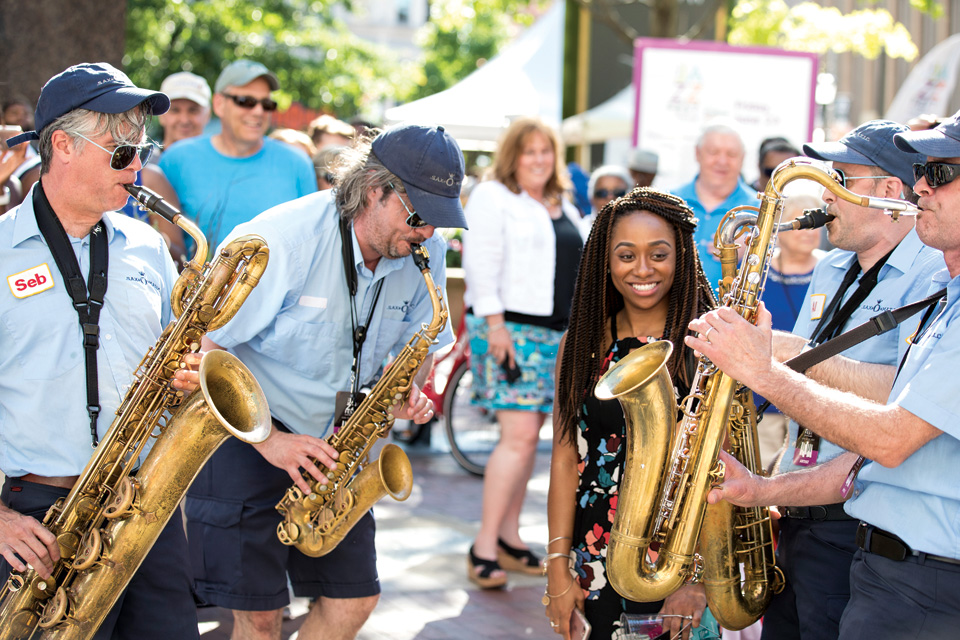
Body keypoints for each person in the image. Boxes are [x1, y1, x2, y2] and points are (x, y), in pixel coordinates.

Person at [186, 123, 466, 640]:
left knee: (355, 599)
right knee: (260, 618)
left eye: (441, 220)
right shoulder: (280, 240)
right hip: (246, 435)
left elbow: (423, 341)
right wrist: (269, 441)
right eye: (422, 216)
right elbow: (202, 350)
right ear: (377, 189)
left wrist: (409, 386)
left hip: (336, 448)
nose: (429, 233)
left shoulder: (425, 250)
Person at [688, 113, 960, 638]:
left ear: (886, 191)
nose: (826, 194)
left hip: (915, 573)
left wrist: (766, 365)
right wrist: (767, 490)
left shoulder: (934, 276)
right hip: (859, 543)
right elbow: (881, 448)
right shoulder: (857, 270)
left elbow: (893, 431)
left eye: (940, 173)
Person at [0, 62, 200, 639]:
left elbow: (172, 360)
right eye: (121, 153)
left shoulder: (148, 247)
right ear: (61, 145)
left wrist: (185, 376)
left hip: (142, 506)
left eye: (143, 149)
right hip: (40, 519)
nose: (139, 167)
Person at [546, 188, 716, 640]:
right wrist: (558, 566)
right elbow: (566, 459)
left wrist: (699, 580)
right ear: (605, 261)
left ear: (681, 256)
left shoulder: (708, 345)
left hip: (679, 558)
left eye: (658, 254)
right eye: (626, 255)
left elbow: (723, 472)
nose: (643, 269)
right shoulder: (582, 343)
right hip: (594, 556)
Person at [461, 117, 585, 589]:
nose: (538, 159)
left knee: (530, 442)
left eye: (546, 151)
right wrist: (495, 327)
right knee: (516, 440)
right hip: (509, 330)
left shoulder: (560, 202)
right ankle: (484, 546)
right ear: (512, 155)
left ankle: (511, 539)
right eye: (528, 151)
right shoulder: (494, 196)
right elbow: (480, 264)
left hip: (557, 337)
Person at [159, 59, 317, 252]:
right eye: (246, 101)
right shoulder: (176, 159)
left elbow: (311, 243)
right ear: (219, 104)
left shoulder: (297, 163)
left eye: (267, 104)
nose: (258, 111)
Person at [754, 193, 826, 469]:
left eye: (816, 221)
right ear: (778, 228)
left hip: (814, 401)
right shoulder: (756, 272)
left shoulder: (836, 270)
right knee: (760, 473)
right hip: (765, 401)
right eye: (800, 221)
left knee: (803, 475)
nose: (809, 230)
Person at [671, 122, 758, 292]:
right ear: (697, 153)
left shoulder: (759, 211)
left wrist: (752, 252)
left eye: (732, 154)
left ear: (743, 158)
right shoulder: (669, 202)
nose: (722, 161)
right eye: (713, 152)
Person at [156, 70, 212, 151]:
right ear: (161, 115)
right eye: (175, 110)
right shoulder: (141, 163)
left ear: (208, 115)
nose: (184, 120)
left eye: (193, 110)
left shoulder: (224, 162)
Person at [579, 164, 632, 233]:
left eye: (618, 193)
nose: (610, 198)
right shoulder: (579, 230)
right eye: (602, 193)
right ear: (591, 198)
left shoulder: (638, 229)